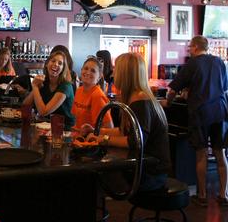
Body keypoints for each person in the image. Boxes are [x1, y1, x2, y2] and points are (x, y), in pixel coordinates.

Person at [82, 53, 170, 192]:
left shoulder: (141, 102)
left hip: (150, 174)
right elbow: (124, 131)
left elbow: (135, 141)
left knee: (93, 173)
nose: (113, 72)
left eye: (117, 69)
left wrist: (103, 139)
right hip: (147, 169)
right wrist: (96, 131)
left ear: (126, 74)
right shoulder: (137, 97)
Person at [166, 35, 228, 207]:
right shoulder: (219, 62)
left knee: (201, 154)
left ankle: (201, 196)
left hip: (201, 112)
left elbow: (172, 89)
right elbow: (223, 87)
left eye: (190, 47)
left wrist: (168, 102)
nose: (189, 50)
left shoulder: (192, 63)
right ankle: (223, 195)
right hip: (220, 111)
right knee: (220, 152)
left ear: (194, 47)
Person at [23, 50, 75, 129]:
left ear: (62, 69)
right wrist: (36, 88)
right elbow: (26, 105)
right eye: (53, 61)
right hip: (46, 127)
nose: (56, 64)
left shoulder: (66, 86)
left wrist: (35, 86)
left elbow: (44, 112)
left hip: (65, 130)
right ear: (47, 64)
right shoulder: (44, 82)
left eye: (60, 63)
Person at [72, 57, 113, 131]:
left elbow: (109, 127)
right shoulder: (79, 90)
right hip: (78, 138)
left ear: (99, 77)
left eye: (93, 71)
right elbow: (77, 121)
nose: (88, 72)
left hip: (91, 140)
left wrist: (93, 130)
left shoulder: (98, 96)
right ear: (81, 70)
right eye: (86, 68)